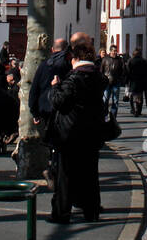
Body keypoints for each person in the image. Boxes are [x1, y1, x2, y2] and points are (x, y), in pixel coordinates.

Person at [46, 33, 107, 223]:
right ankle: (92, 212)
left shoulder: (73, 79)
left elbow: (59, 103)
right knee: (90, 175)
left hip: (70, 133)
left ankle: (62, 213)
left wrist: (55, 87)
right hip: (93, 132)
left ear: (76, 59)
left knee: (65, 176)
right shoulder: (98, 78)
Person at [100, 48, 126, 118]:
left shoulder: (120, 60)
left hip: (116, 82)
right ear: (110, 51)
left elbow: (123, 70)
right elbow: (101, 70)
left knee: (115, 101)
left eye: (115, 51)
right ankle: (104, 115)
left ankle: (113, 117)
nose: (114, 52)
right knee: (105, 99)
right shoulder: (105, 59)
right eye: (113, 51)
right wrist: (102, 79)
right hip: (107, 82)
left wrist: (120, 78)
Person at [127, 48, 147, 116]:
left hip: (133, 80)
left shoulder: (131, 61)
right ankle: (139, 109)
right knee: (140, 95)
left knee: (132, 95)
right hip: (141, 81)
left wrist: (127, 80)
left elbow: (128, 71)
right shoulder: (144, 61)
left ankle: (133, 109)